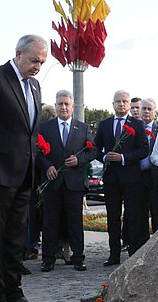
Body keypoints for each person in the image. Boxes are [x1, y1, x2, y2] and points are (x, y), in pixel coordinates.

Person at [0, 34, 48, 302]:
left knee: (16, 237)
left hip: (25, 175)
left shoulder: (35, 86)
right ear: (18, 53)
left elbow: (30, 132)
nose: (37, 66)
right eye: (33, 60)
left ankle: (14, 293)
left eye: (41, 62)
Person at [36, 90, 95, 272]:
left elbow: (93, 151)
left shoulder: (82, 128)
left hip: (73, 183)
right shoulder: (45, 127)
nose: (63, 107)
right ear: (55, 106)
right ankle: (48, 259)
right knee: (50, 222)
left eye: (66, 104)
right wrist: (47, 166)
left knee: (75, 222)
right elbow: (36, 151)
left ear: (72, 107)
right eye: (60, 104)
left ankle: (78, 258)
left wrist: (80, 161)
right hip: (52, 182)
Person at [94, 90, 148, 266]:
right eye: (118, 101)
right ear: (113, 104)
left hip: (132, 178)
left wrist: (123, 158)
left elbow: (143, 150)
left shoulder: (137, 125)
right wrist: (104, 157)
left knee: (132, 216)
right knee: (113, 217)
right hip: (111, 179)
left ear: (129, 104)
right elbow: (95, 148)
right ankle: (113, 254)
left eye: (125, 101)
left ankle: (132, 252)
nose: (122, 104)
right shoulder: (104, 125)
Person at [24, 103, 57, 262]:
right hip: (40, 177)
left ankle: (32, 246)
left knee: (34, 215)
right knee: (40, 214)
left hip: (41, 177)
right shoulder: (42, 131)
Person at [140, 98, 158, 233]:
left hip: (155, 177)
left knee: (157, 212)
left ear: (155, 111)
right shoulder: (133, 127)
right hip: (137, 178)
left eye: (149, 109)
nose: (146, 111)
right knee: (139, 214)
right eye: (144, 108)